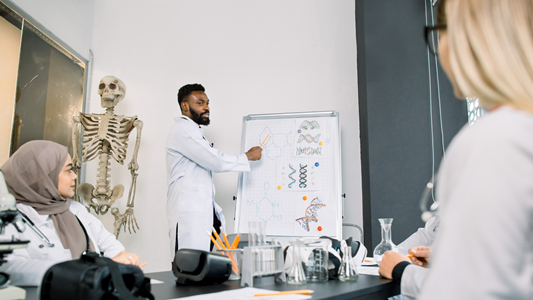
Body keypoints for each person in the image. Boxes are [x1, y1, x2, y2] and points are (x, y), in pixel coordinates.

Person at [382, 0, 533, 299]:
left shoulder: (492, 140)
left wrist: (402, 272)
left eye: (439, 34)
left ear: (466, 39)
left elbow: (463, 292)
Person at [0, 140, 140, 286]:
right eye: (68, 170)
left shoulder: (75, 209)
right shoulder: (10, 219)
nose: (74, 176)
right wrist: (77, 272)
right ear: (44, 177)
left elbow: (108, 244)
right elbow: (11, 268)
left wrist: (120, 256)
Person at [166, 83, 262, 256]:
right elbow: (214, 160)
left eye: (207, 103)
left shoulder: (193, 130)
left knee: (206, 264)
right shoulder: (183, 130)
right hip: (189, 213)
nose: (206, 107)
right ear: (185, 106)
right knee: (189, 265)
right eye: (200, 103)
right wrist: (246, 157)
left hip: (202, 211)